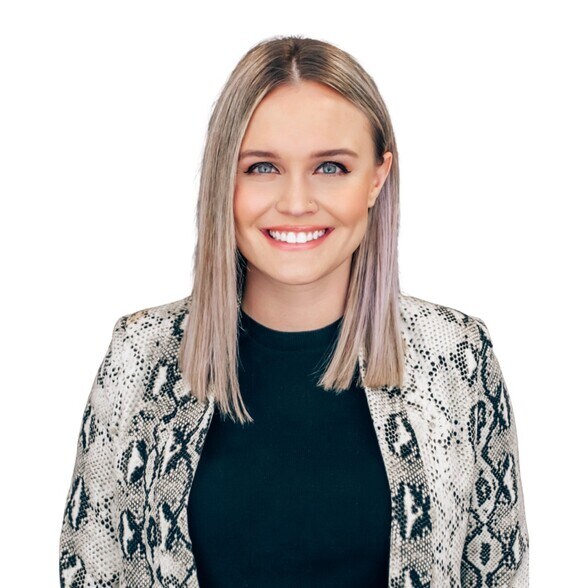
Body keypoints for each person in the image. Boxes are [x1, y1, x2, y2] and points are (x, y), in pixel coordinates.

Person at [59, 35, 529, 587]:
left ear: (377, 178)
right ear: (223, 178)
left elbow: (499, 574)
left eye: (331, 167)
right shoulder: (139, 358)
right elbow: (87, 570)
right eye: (262, 167)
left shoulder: (457, 359)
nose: (297, 203)